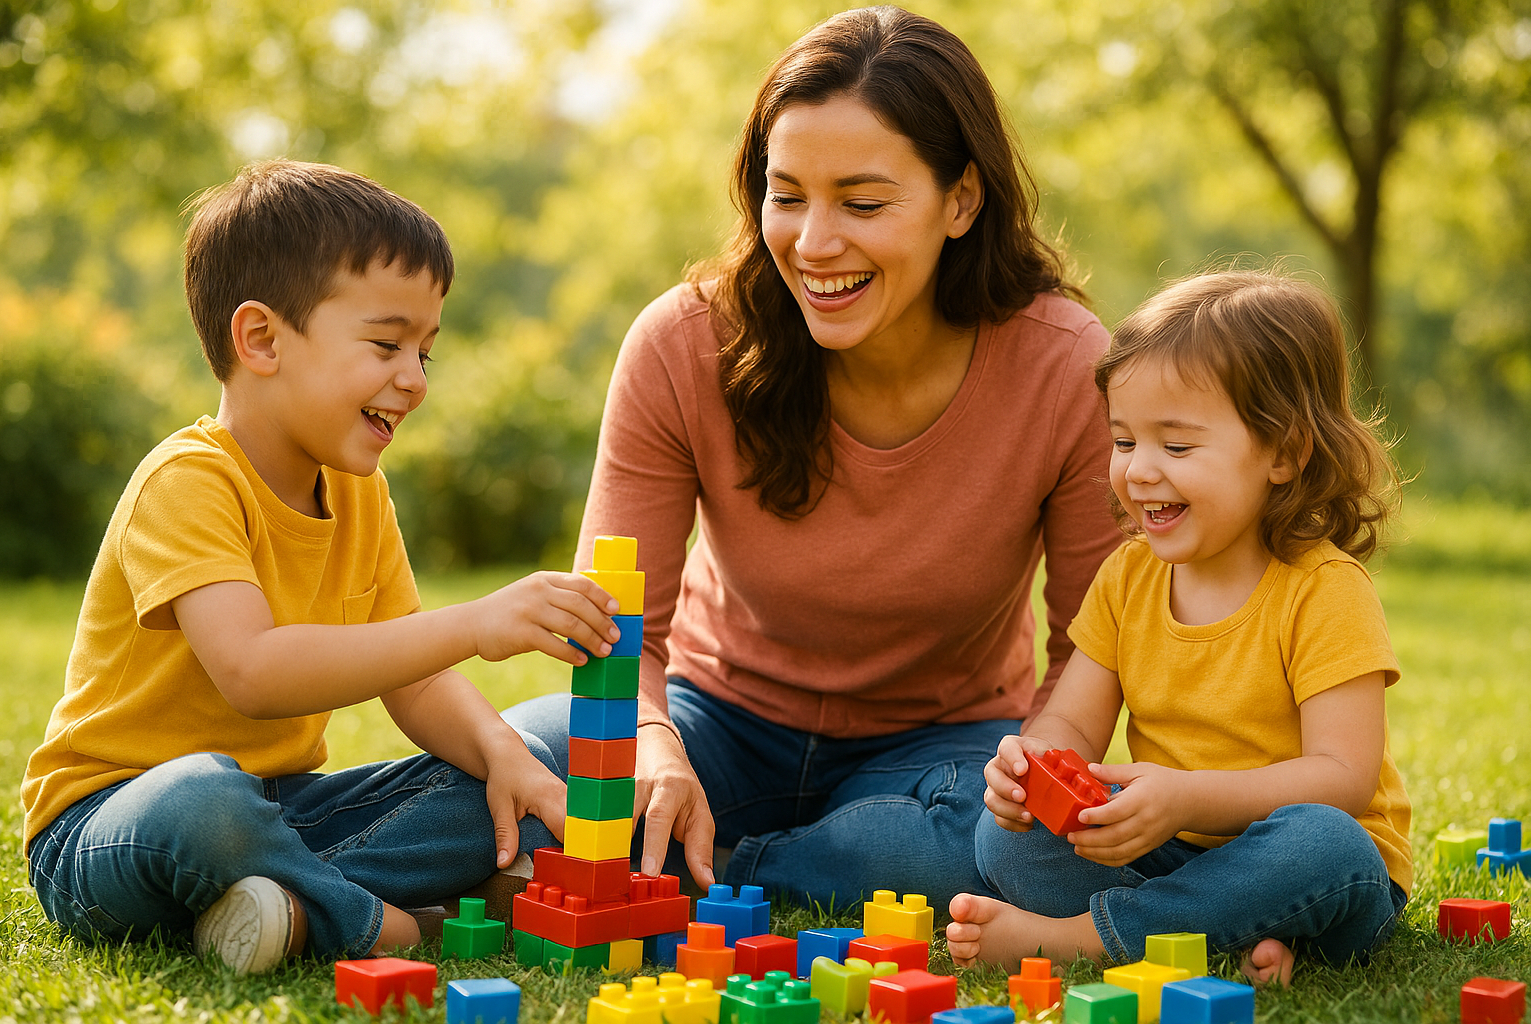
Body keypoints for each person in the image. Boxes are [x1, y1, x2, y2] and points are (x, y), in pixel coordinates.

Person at [504, 5, 1120, 910]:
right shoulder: (682, 344)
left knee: (964, 848)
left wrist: (1025, 784)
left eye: (862, 204)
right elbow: (613, 621)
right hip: (710, 719)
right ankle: (282, 859)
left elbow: (1092, 648)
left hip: (939, 752)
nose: (813, 243)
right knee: (512, 763)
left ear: (962, 198)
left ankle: (718, 871)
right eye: (787, 195)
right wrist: (650, 743)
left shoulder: (1064, 366)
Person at [20, 160, 622, 974]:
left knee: (530, 755)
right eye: (386, 344)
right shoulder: (188, 482)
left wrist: (498, 751)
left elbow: (414, 679)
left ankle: (283, 909)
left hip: (284, 810)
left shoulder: (359, 494)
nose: (412, 379)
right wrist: (476, 624)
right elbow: (254, 672)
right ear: (262, 339)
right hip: (116, 824)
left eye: (424, 353)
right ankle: (377, 922)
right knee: (205, 798)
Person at [946, 270, 1411, 985]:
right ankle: (1226, 938)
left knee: (1324, 846)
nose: (1138, 471)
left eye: (1178, 447)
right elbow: (1072, 721)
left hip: (1305, 857)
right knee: (1003, 840)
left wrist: (1188, 798)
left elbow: (1342, 779)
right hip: (1168, 852)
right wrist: (1032, 768)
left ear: (1283, 453)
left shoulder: (1325, 591)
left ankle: (1094, 940)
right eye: (1124, 440)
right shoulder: (1128, 578)